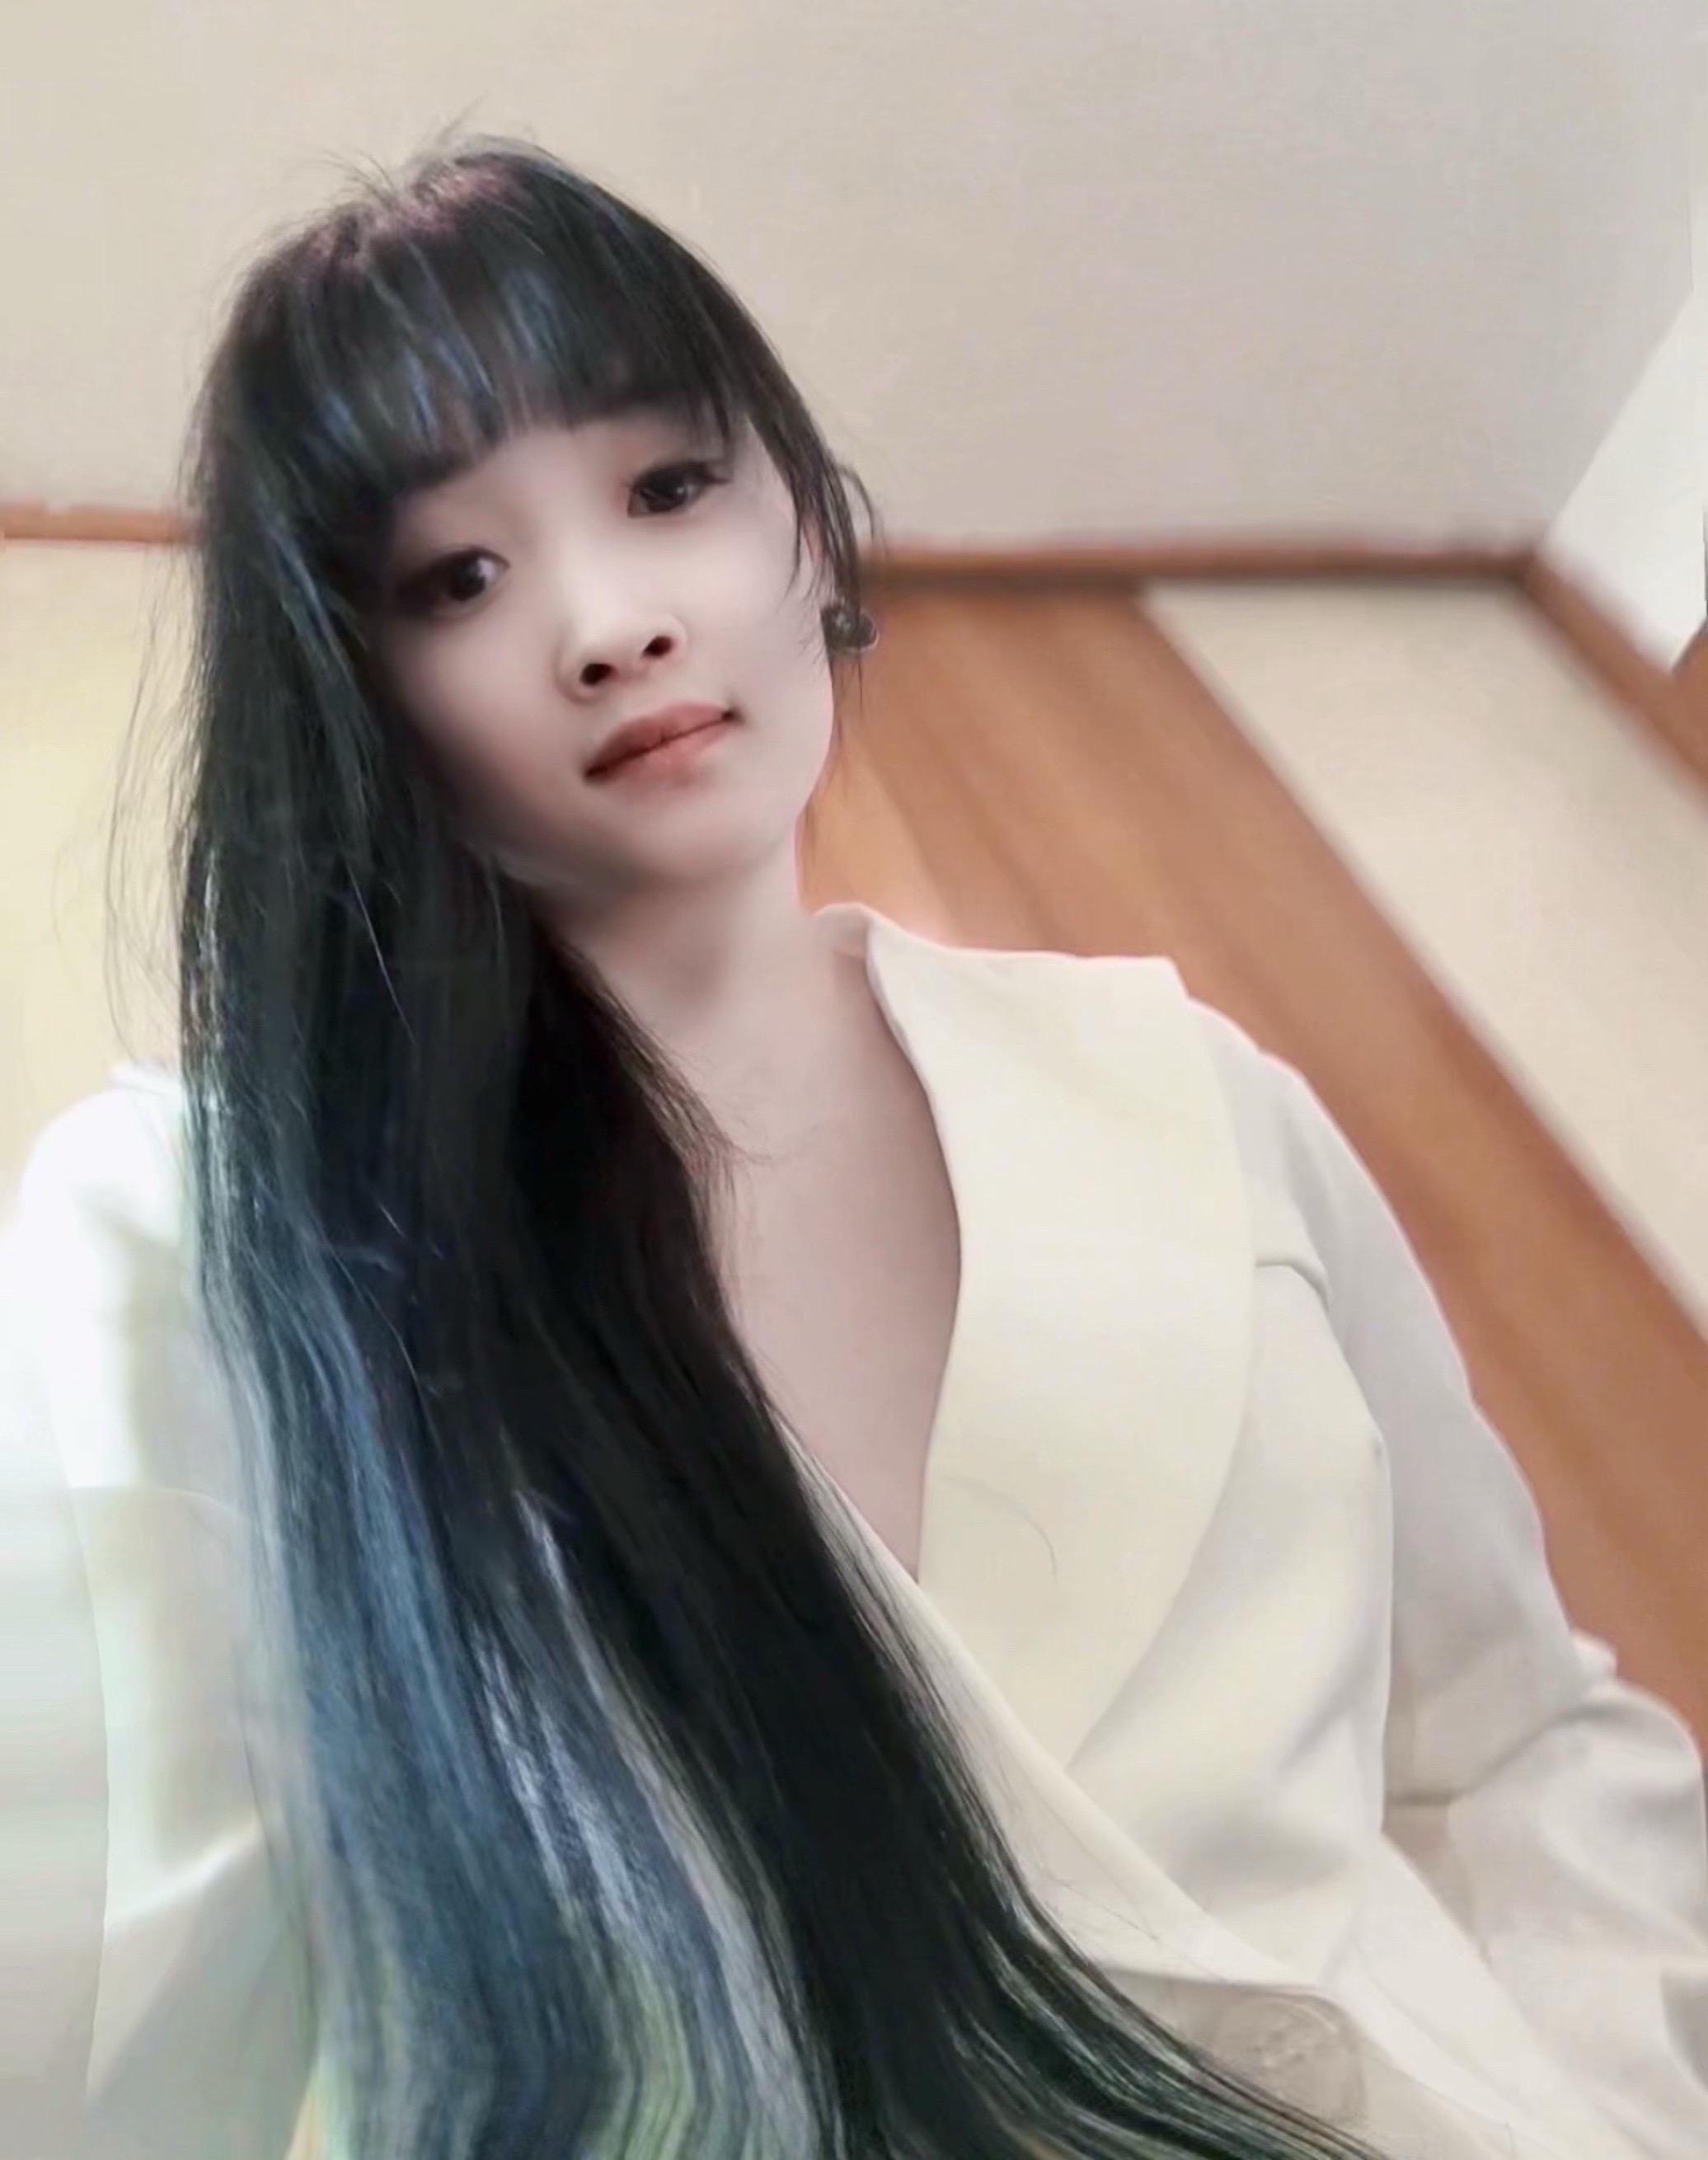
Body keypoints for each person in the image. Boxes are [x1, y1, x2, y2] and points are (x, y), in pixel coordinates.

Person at [4, 132, 1706, 2160]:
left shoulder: (1185, 1086)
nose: (610, 622)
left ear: (814, 527)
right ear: (356, 702)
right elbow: (91, 2027)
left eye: (666, 486)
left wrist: (1604, 2101)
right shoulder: (214, 1236)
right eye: (454, 577)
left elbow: (1517, 1736)